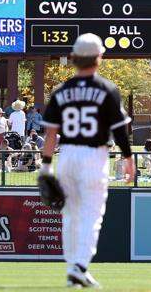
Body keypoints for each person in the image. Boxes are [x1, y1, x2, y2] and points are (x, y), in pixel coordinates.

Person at [39, 33, 133, 288]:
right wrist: (128, 157)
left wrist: (45, 166)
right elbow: (119, 130)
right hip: (94, 155)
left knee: (70, 214)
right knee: (92, 213)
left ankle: (73, 269)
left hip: (67, 154)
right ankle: (80, 265)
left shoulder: (61, 90)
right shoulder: (106, 89)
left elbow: (51, 133)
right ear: (98, 57)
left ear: (74, 58)